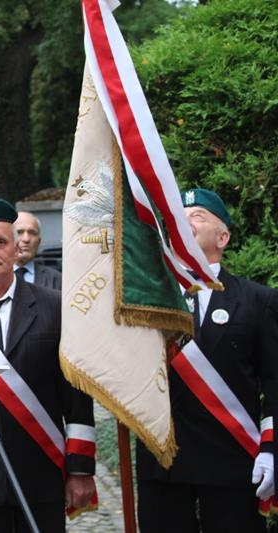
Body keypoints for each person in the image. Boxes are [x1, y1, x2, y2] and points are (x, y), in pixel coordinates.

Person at [135, 188, 278, 532]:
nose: (186, 222)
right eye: (178, 218)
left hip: (231, 461)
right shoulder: (145, 301)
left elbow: (275, 381)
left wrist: (271, 448)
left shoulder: (257, 300)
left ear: (222, 237)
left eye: (197, 216)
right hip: (163, 463)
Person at [0, 199, 96, 533]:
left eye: (0, 242)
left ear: (16, 249)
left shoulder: (54, 307)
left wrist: (80, 469)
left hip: (41, 474)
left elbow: (76, 394)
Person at [13, 211, 61, 290]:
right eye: (19, 232)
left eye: (32, 233)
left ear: (39, 241)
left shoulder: (55, 279)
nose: (26, 239)